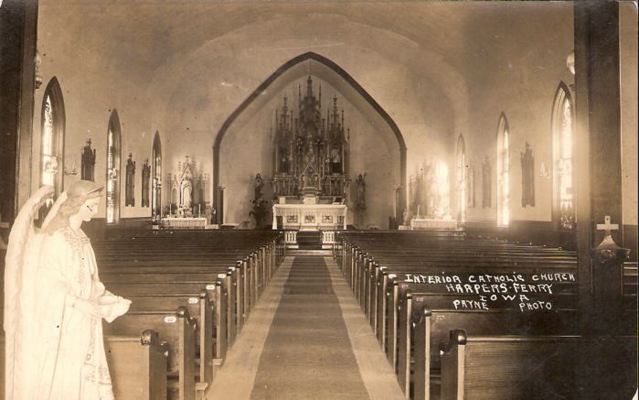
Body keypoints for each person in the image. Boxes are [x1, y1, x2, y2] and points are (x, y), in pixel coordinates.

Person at [3, 180, 131, 399]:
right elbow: (47, 282)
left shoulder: (83, 239)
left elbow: (91, 281)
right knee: (68, 376)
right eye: (92, 205)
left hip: (86, 322)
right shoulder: (56, 239)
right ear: (77, 204)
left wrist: (109, 301)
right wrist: (78, 303)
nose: (96, 210)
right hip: (65, 321)